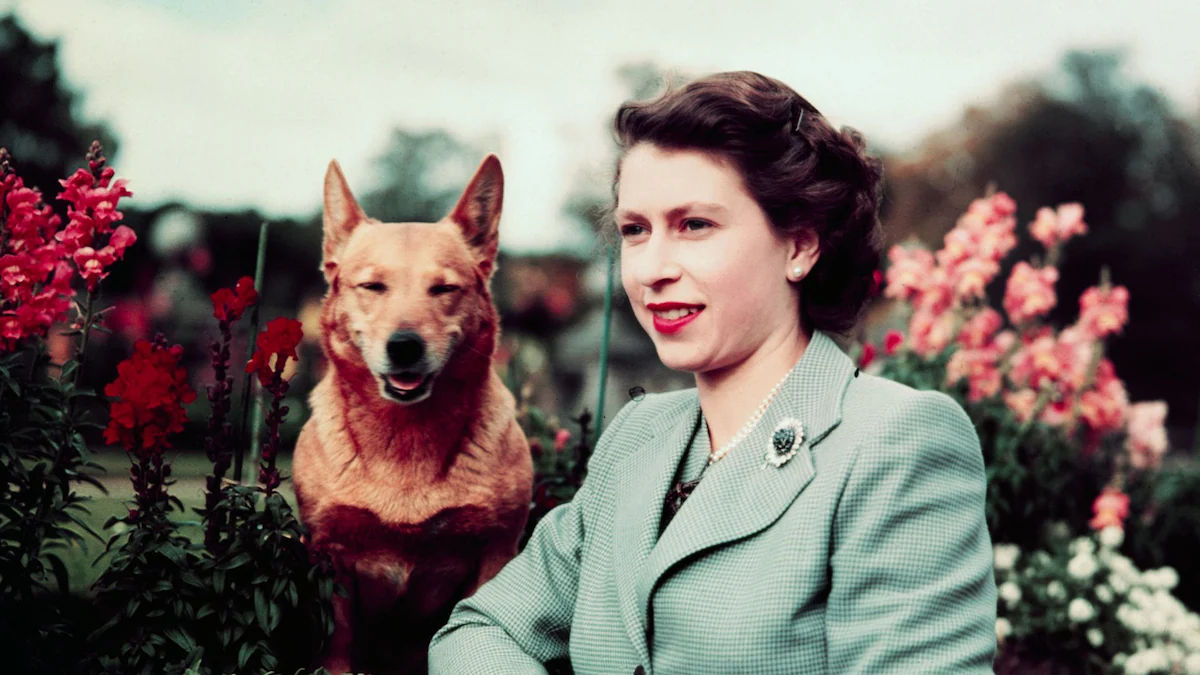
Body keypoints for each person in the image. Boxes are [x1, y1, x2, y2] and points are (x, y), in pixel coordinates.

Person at [428, 70, 997, 674]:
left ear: (800, 246)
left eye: (694, 225)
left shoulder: (896, 442)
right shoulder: (637, 437)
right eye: (635, 231)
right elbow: (477, 633)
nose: (652, 269)